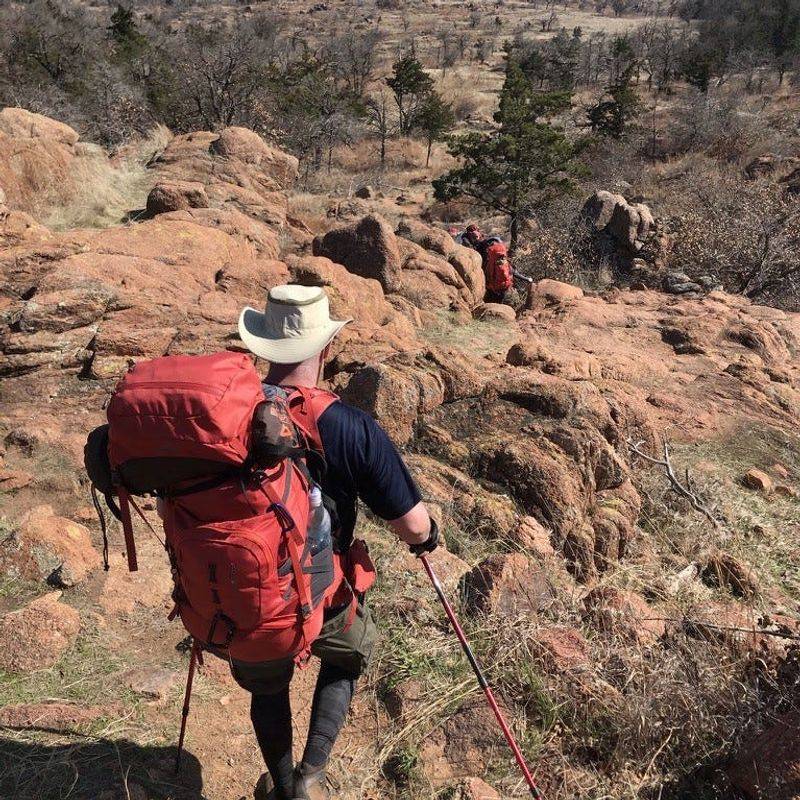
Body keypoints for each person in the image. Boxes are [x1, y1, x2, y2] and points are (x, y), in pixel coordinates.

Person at [236, 285, 438, 800]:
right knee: (348, 652)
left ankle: (280, 784)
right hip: (319, 592)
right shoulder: (350, 427)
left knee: (266, 676)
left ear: (261, 347)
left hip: (245, 590)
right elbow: (414, 526)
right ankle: (311, 774)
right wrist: (429, 537)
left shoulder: (228, 416)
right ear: (325, 349)